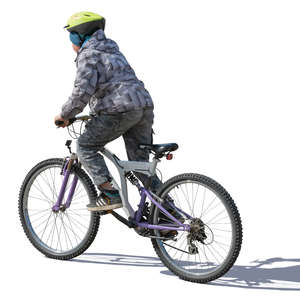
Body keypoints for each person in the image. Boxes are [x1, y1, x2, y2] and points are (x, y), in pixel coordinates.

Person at [54, 11, 164, 211]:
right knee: (140, 166)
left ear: (80, 35)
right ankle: (166, 211)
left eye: (71, 36)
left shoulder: (88, 54)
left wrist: (65, 115)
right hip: (143, 106)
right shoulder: (111, 49)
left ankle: (109, 193)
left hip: (118, 111)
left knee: (85, 147)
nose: (70, 43)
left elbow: (82, 92)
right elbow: (115, 84)